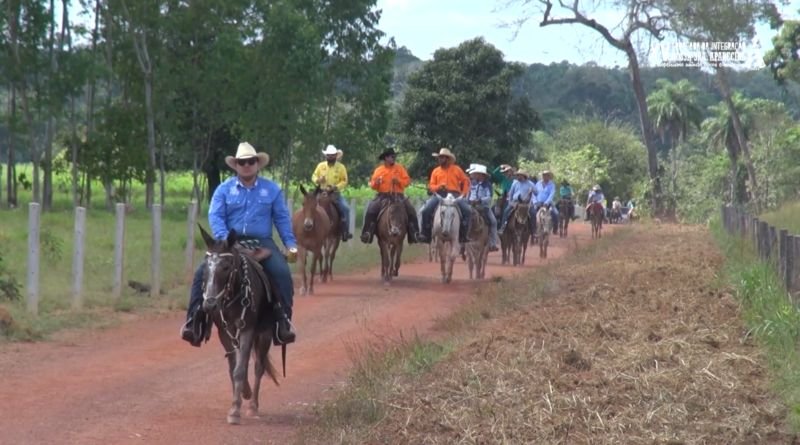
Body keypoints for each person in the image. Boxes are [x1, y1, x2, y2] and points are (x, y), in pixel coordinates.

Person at [181, 142, 297, 346]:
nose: (247, 165)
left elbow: (281, 218)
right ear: (235, 165)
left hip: (262, 241)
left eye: (251, 161)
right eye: (242, 162)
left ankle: (283, 322)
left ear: (257, 164)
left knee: (281, 272)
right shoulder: (223, 190)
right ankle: (194, 321)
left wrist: (290, 244)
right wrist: (226, 240)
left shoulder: (272, 190)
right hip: (228, 242)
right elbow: (215, 215)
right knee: (202, 272)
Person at [360, 148, 421, 244]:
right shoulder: (378, 170)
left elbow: (407, 181)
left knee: (411, 210)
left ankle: (415, 233)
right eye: (392, 157)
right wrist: (376, 183)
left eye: (394, 157)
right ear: (386, 158)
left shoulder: (400, 168)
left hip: (398, 196)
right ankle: (367, 233)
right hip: (383, 196)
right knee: (371, 209)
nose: (394, 158)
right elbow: (372, 186)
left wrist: (398, 181)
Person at [417, 148, 471, 245]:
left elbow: (466, 181)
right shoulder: (435, 171)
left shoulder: (457, 169)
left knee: (467, 210)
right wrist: (439, 186)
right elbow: (431, 186)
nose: (439, 160)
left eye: (441, 158)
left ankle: (463, 235)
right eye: (439, 158)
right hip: (439, 194)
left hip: (455, 194)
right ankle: (426, 234)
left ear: (447, 158)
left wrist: (463, 193)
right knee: (426, 210)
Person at [311, 144, 352, 241]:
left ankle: (345, 231)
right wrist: (318, 180)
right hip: (320, 192)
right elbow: (313, 176)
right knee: (309, 206)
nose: (330, 157)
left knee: (345, 208)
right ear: (326, 156)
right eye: (329, 155)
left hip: (334, 193)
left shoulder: (341, 167)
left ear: (336, 155)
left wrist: (335, 187)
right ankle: (307, 228)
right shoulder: (320, 166)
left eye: (332, 155)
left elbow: (344, 180)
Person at [466, 164, 499, 252]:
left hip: (483, 207)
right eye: (475, 174)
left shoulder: (487, 185)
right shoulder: (472, 183)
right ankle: (462, 241)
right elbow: (468, 194)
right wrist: (468, 201)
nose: (475, 175)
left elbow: (489, 197)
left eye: (477, 174)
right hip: (471, 206)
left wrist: (480, 200)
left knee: (493, 222)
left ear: (482, 175)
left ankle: (493, 242)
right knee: (464, 219)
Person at [497, 169, 537, 235]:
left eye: (519, 175)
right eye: (517, 175)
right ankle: (502, 227)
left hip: (526, 203)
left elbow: (536, 192)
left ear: (523, 176)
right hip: (515, 202)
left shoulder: (530, 184)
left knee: (533, 213)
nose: (518, 177)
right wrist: (510, 202)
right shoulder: (515, 183)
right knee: (506, 211)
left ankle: (533, 230)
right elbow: (510, 194)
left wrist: (532, 190)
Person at [533, 170, 559, 235]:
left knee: (556, 214)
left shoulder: (552, 185)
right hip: (538, 203)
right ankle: (533, 230)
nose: (545, 177)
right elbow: (534, 193)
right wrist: (535, 201)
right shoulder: (538, 183)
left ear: (549, 177)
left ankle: (555, 229)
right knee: (531, 214)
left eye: (547, 175)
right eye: (544, 175)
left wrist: (546, 202)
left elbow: (551, 194)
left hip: (548, 204)